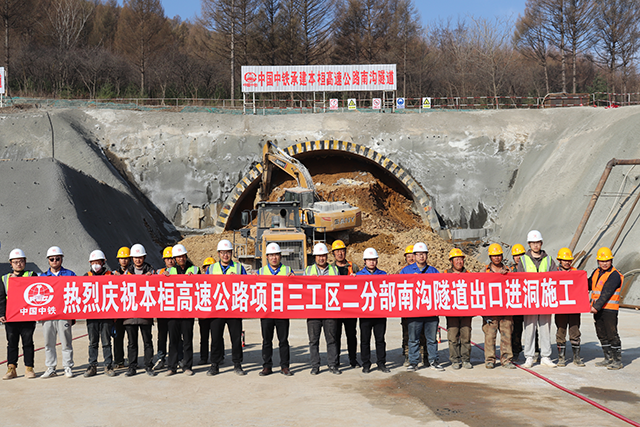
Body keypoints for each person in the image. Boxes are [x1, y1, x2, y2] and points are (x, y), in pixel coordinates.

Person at [401, 242, 444, 372]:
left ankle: (433, 361)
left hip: (431, 313)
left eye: (423, 254)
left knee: (431, 339)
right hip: (414, 313)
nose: (421, 257)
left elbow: (440, 288)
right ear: (414, 256)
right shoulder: (406, 271)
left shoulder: (433, 271)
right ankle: (413, 362)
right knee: (413, 339)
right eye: (419, 254)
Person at [517, 230, 557, 368]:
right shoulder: (523, 260)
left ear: (541, 243)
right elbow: (519, 280)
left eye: (537, 242)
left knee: (545, 328)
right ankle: (529, 356)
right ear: (529, 244)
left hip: (545, 299)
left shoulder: (549, 260)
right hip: (530, 299)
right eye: (533, 243)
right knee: (529, 329)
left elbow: (556, 278)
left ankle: (545, 356)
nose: (535, 245)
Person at [206, 240, 246, 376]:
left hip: (234, 308)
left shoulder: (239, 268)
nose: (225, 255)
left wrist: (238, 279)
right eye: (222, 253)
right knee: (216, 338)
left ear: (231, 253)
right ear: (218, 254)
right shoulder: (211, 269)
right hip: (217, 309)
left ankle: (237, 364)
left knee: (236, 338)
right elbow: (204, 285)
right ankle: (214, 365)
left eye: (228, 252)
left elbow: (247, 285)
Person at [256, 242, 294, 376]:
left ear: (280, 256)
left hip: (282, 311)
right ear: (267, 257)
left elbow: (297, 288)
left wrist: (294, 279)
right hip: (266, 311)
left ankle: (285, 366)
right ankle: (267, 366)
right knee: (267, 340)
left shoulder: (288, 271)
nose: (274, 258)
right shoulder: (260, 272)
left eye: (276, 255)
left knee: (283, 340)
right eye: (271, 255)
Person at [40, 246, 76, 378]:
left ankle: (67, 366)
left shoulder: (70, 274)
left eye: (57, 258)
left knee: (66, 341)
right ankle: (51, 367)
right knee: (49, 342)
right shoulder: (42, 277)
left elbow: (77, 293)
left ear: (61, 259)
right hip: (48, 314)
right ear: (48, 260)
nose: (55, 261)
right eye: (52, 259)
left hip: (64, 314)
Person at [305, 243, 340, 375]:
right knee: (313, 340)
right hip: (313, 311)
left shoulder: (334, 270)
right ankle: (315, 366)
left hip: (329, 311)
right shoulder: (307, 271)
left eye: (323, 255)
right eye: (319, 256)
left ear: (327, 256)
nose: (321, 258)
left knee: (331, 339)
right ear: (314, 257)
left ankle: (332, 365)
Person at [164, 244, 199, 376]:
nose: (181, 258)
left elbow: (202, 286)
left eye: (182, 256)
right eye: (178, 257)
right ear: (174, 259)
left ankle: (187, 366)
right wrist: (164, 276)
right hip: (173, 312)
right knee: (173, 340)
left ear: (186, 256)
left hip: (188, 311)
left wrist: (195, 278)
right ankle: (171, 367)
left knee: (187, 340)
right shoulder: (170, 272)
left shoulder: (195, 270)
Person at [1, 249, 37, 380]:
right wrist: (1, 314)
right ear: (11, 263)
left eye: (21, 261)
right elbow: (1, 298)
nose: (18, 264)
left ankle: (29, 367)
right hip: (11, 316)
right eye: (15, 262)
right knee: (12, 343)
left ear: (25, 262)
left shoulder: (32, 275)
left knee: (27, 342)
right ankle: (11, 368)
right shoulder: (5, 278)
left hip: (27, 316)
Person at [123, 244, 156, 377]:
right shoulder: (126, 273)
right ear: (132, 258)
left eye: (140, 257)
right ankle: (132, 367)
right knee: (132, 343)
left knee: (147, 341)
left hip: (145, 313)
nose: (138, 260)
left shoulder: (151, 272)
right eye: (135, 257)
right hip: (130, 314)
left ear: (144, 257)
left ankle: (149, 365)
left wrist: (152, 279)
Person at [589, 247, 623, 370]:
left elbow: (606, 293)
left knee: (611, 334)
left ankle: (617, 360)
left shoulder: (614, 275)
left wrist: (595, 307)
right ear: (598, 261)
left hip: (609, 310)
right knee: (601, 334)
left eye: (607, 260)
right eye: (602, 261)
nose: (604, 263)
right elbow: (587, 284)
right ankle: (608, 358)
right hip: (598, 310)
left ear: (611, 261)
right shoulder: (596, 273)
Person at [356, 248, 390, 374]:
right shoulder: (358, 276)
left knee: (380, 340)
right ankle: (366, 364)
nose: (371, 262)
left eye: (374, 260)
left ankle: (381, 363)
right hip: (365, 313)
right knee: (365, 340)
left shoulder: (383, 274)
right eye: (369, 260)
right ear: (365, 261)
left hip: (380, 313)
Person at [83, 250, 116, 378]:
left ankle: (108, 365)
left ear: (103, 262)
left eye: (98, 262)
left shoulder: (110, 275)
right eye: (93, 262)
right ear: (90, 263)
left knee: (106, 341)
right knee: (93, 342)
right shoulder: (87, 276)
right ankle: (92, 366)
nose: (96, 265)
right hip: (92, 315)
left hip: (106, 314)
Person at [483, 243, 516, 369]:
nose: (496, 258)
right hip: (490, 310)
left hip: (506, 309)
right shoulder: (484, 271)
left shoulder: (509, 270)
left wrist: (507, 275)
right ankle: (490, 359)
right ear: (490, 257)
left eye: (498, 255)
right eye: (494, 256)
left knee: (506, 334)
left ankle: (506, 359)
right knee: (490, 336)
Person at [331, 239, 360, 368]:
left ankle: (353, 359)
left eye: (342, 250)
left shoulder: (353, 267)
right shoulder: (330, 268)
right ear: (333, 254)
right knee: (335, 335)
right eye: (337, 251)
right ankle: (336, 361)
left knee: (351, 335)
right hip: (336, 307)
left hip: (350, 307)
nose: (340, 253)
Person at [555, 247, 585, 367]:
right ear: (560, 260)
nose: (567, 262)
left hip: (573, 308)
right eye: (564, 260)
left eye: (569, 260)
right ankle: (561, 358)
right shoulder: (554, 273)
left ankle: (576, 358)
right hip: (561, 308)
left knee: (575, 332)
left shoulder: (576, 272)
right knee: (560, 331)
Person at [445, 248, 473, 370]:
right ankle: (455, 360)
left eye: (460, 259)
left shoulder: (469, 274)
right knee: (453, 337)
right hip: (452, 312)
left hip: (466, 312)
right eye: (456, 259)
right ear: (451, 261)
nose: (459, 261)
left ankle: (466, 359)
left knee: (466, 337)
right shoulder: (445, 274)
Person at [399, 244, 425, 366]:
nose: (411, 259)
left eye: (412, 256)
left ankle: (423, 355)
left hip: (423, 308)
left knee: (423, 334)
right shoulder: (404, 271)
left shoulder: (426, 270)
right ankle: (408, 356)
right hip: (408, 310)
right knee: (408, 334)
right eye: (408, 257)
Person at [154, 246, 175, 370]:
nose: (170, 261)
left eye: (172, 258)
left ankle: (176, 357)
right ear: (164, 260)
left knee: (175, 336)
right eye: (167, 259)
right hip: (162, 311)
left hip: (175, 311)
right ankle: (161, 358)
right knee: (162, 336)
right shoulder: (158, 272)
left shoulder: (179, 272)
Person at [112, 246, 133, 369]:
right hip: (118, 310)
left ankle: (132, 360)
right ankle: (119, 360)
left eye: (126, 258)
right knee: (118, 337)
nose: (124, 261)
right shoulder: (114, 273)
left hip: (130, 309)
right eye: (121, 258)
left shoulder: (133, 273)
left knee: (131, 338)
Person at [198, 257, 216, 365]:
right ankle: (203, 357)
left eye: (210, 266)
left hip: (215, 313)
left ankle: (219, 356)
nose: (208, 268)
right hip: (203, 314)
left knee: (217, 337)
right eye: (206, 267)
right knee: (204, 337)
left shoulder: (218, 281)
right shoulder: (199, 280)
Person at [510, 243, 526, 361]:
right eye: (516, 255)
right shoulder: (510, 270)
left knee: (532, 329)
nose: (518, 257)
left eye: (521, 255)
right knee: (516, 329)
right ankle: (515, 350)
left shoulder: (529, 268)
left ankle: (535, 350)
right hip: (516, 304)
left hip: (528, 303)